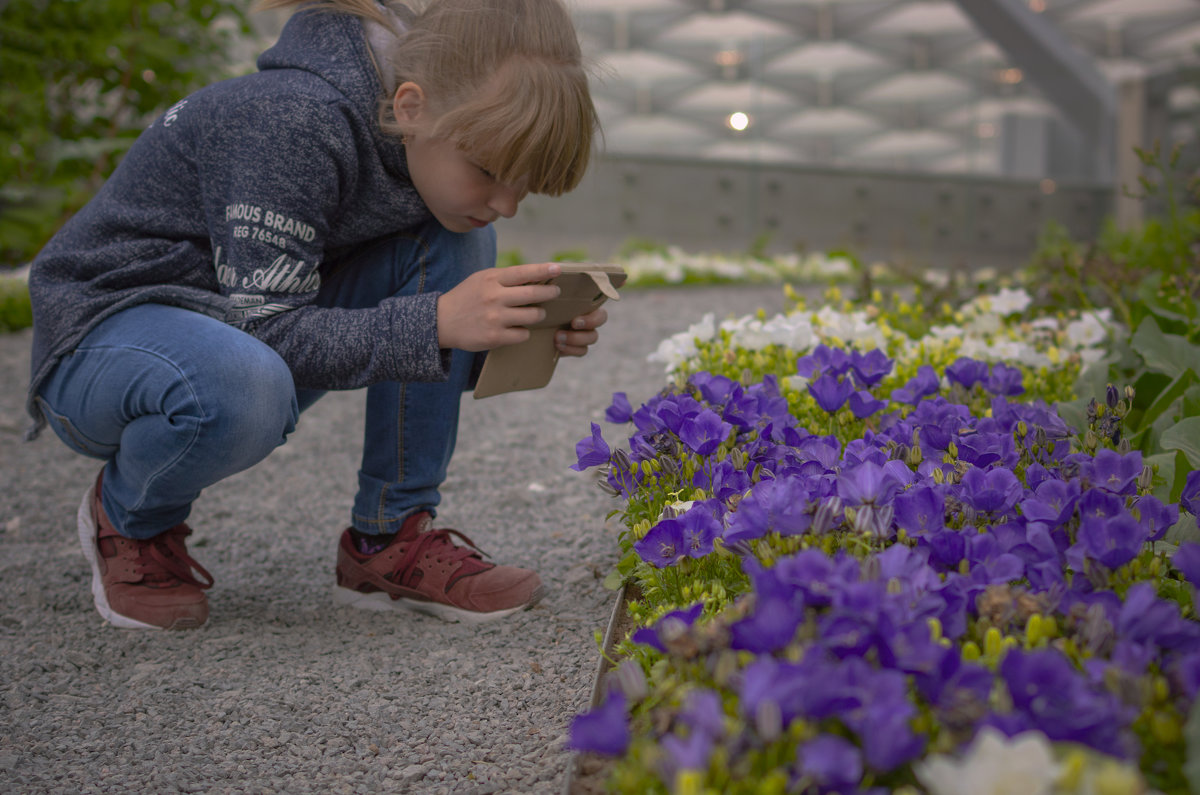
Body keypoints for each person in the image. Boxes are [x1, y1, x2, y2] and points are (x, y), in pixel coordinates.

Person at [23, 0, 606, 630]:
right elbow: (269, 330)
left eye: (524, 185)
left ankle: (387, 542)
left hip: (233, 331)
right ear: (410, 106)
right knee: (243, 385)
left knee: (457, 238)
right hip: (104, 337)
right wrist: (438, 322)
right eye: (490, 171)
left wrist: (504, 335)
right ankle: (130, 517)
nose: (507, 204)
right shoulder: (291, 120)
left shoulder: (418, 141)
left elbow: (371, 326)